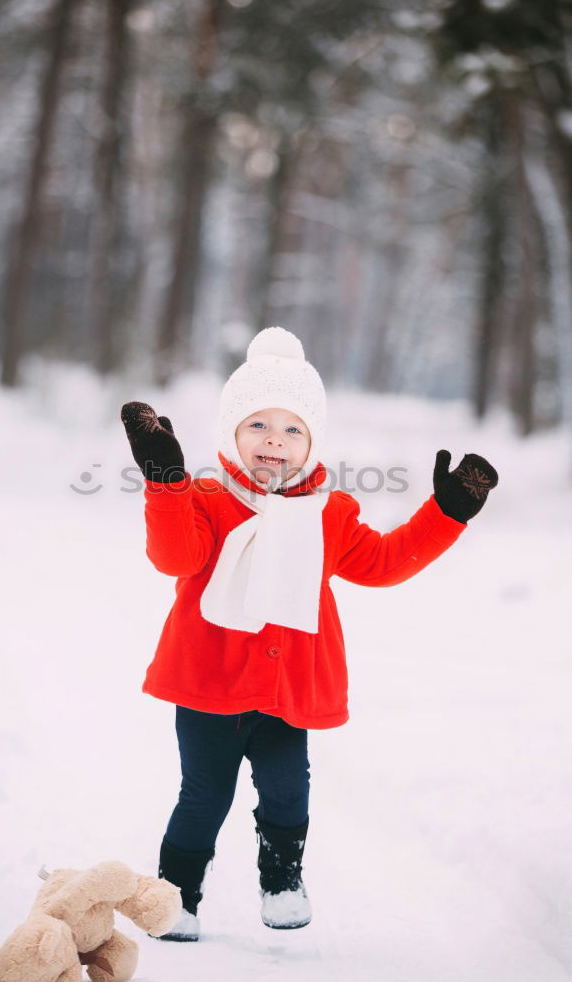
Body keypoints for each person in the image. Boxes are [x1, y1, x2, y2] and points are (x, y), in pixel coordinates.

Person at [120, 326, 498, 942]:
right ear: (231, 435)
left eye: (293, 429)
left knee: (288, 789)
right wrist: (166, 481)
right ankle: (174, 898)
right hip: (209, 688)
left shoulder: (330, 512)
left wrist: (445, 513)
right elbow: (175, 558)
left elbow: (382, 563)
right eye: (258, 426)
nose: (276, 441)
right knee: (203, 796)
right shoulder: (209, 499)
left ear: (312, 442)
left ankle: (282, 880)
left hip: (286, 691)